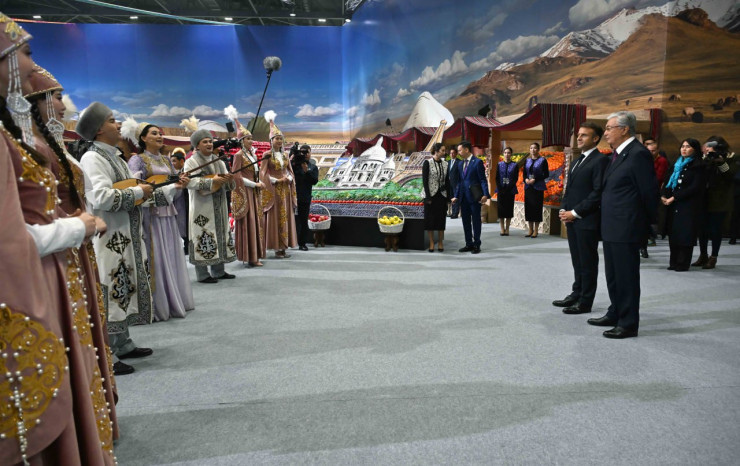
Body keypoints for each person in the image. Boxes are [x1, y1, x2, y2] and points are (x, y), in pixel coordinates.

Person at [0, 15, 115, 464]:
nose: (31, 65)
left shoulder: (29, 143)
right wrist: (77, 227)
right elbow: (11, 237)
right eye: (24, 53)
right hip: (36, 272)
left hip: (58, 263)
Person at [25, 63, 121, 446]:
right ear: (33, 99)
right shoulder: (32, 149)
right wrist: (79, 226)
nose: (64, 106)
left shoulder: (51, 146)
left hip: (75, 250)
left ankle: (90, 423)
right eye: (56, 96)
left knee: (84, 332)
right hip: (58, 254)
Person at [78, 102, 181, 374]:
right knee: (111, 290)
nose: (119, 125)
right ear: (99, 130)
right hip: (109, 238)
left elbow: (136, 192)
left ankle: (122, 343)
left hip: (125, 236)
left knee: (123, 287)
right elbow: (100, 197)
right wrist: (138, 193)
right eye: (112, 120)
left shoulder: (115, 157)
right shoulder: (92, 158)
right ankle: (108, 354)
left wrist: (168, 189)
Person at [587, 111, 657, 339]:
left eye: (609, 128)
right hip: (612, 225)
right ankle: (615, 312)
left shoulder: (638, 154)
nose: (605, 132)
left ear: (625, 129)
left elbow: (648, 193)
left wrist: (646, 226)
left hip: (627, 226)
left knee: (626, 277)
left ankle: (628, 323)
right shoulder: (618, 154)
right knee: (613, 275)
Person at [125, 120, 194, 320]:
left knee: (171, 252)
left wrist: (179, 185)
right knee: (155, 256)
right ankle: (157, 304)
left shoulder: (166, 160)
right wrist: (171, 188)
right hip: (151, 215)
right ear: (143, 138)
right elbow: (136, 188)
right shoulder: (137, 160)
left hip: (168, 213)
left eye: (160, 133)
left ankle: (174, 297)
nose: (159, 136)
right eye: (154, 133)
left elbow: (174, 190)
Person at [555, 122, 609, 315]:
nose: (578, 138)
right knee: (577, 260)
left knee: (587, 262)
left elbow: (597, 192)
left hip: (586, 219)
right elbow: (569, 189)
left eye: (584, 135)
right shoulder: (578, 160)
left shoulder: (600, 160)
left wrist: (575, 212)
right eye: (578, 134)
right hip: (572, 219)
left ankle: (585, 301)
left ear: (595, 139)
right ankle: (576, 292)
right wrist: (564, 210)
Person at [184, 129, 237, 282]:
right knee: (202, 235)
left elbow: (227, 183)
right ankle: (202, 274)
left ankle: (219, 271)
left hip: (220, 205)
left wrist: (229, 179)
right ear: (197, 145)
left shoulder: (219, 161)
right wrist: (212, 181)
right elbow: (190, 182)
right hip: (202, 207)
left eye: (210, 141)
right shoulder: (191, 162)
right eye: (205, 141)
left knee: (220, 234)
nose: (209, 144)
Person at [692, 136, 738, 269]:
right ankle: (703, 255)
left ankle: (713, 257)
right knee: (702, 229)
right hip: (704, 198)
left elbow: (730, 175)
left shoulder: (732, 158)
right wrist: (706, 158)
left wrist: (721, 162)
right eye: (708, 146)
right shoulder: (705, 158)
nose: (709, 149)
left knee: (715, 230)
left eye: (713, 147)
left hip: (720, 200)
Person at [661, 138, 706, 271]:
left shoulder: (699, 166)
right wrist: (663, 195)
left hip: (688, 205)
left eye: (688, 146)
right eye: (682, 146)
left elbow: (695, 187)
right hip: (673, 204)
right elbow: (667, 181)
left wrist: (674, 197)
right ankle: (673, 262)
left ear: (695, 149)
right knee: (674, 233)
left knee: (685, 234)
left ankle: (683, 263)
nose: (684, 149)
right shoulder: (676, 164)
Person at [260, 111, 298, 258]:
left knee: (286, 216)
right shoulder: (266, 155)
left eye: (281, 139)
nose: (279, 141)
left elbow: (290, 171)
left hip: (285, 191)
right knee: (276, 217)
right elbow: (263, 174)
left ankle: (284, 247)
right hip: (274, 190)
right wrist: (276, 180)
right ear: (271, 140)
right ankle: (276, 247)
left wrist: (288, 178)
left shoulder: (285, 155)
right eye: (277, 138)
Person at [231, 123, 266, 266]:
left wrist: (258, 182)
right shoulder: (239, 155)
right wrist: (254, 184)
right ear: (241, 141)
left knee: (256, 221)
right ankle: (250, 256)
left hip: (254, 192)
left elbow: (255, 173)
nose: (251, 141)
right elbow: (236, 176)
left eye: (251, 138)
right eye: (248, 139)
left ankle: (255, 255)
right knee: (250, 221)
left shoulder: (251, 154)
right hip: (246, 192)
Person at [451, 141, 489, 254]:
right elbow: (459, 182)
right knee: (465, 222)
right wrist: (456, 196)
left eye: (460, 150)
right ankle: (469, 244)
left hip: (474, 197)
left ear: (466, 150)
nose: (458, 152)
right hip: (463, 198)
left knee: (476, 221)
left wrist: (485, 194)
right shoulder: (459, 164)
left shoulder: (477, 162)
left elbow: (482, 180)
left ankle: (477, 244)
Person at [422, 142, 450, 251]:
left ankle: (440, 242)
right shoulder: (427, 163)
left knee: (441, 219)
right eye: (442, 150)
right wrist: (428, 197)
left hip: (442, 195)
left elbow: (447, 181)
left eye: (444, 150)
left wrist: (448, 197)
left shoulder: (445, 164)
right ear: (436, 151)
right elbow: (425, 181)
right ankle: (431, 242)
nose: (444, 152)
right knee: (430, 220)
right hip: (431, 195)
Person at [292, 143, 319, 251]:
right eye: (303, 152)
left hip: (305, 197)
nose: (305, 154)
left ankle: (302, 243)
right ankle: (289, 242)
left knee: (303, 221)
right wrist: (292, 159)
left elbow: (314, 181)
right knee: (289, 219)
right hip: (291, 196)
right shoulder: (294, 165)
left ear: (310, 153)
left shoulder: (313, 167)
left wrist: (306, 171)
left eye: (307, 152)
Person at [522, 142, 549, 238]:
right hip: (528, 187)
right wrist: (525, 179)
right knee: (529, 208)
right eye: (531, 148)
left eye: (535, 148)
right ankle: (530, 229)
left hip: (538, 187)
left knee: (536, 208)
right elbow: (524, 173)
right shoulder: (527, 160)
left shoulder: (542, 160)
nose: (533, 150)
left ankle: (536, 230)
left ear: (538, 149)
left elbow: (546, 174)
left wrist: (535, 179)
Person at [170, 147, 189, 254]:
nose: (172, 163)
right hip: (178, 203)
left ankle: (187, 245)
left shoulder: (186, 172)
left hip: (186, 203)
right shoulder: (173, 174)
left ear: (182, 161)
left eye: (174, 161)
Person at [495, 146, 517, 236]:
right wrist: (500, 188)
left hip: (510, 190)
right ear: (503, 154)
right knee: (501, 210)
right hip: (500, 190)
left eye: (508, 153)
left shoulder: (514, 165)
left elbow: (515, 178)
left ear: (511, 154)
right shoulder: (499, 164)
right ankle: (502, 228)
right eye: (505, 153)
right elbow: (497, 177)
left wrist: (509, 187)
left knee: (508, 210)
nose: (507, 154)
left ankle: (507, 228)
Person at [447, 146, 460, 218]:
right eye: (450, 153)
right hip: (449, 183)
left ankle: (455, 213)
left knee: (455, 197)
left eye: (453, 153)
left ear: (456, 154)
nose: (452, 154)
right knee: (451, 197)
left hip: (456, 183)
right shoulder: (448, 162)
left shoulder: (459, 162)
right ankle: (452, 212)